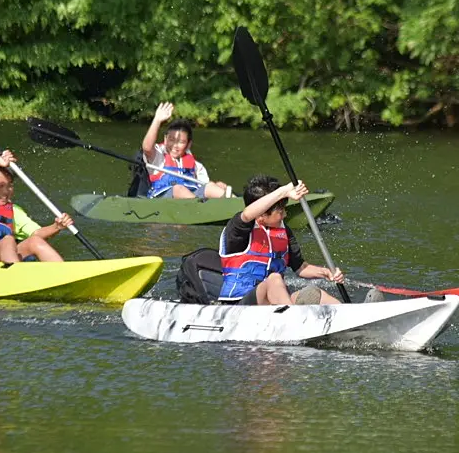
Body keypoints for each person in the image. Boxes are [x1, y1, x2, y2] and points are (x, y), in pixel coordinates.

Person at [217, 175, 344, 305]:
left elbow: (301, 267)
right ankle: (292, 318)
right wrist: (284, 190)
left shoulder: (284, 231)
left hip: (276, 304)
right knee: (274, 278)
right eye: (280, 210)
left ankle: (349, 318)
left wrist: (327, 272)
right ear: (261, 215)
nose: (285, 214)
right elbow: (248, 214)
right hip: (238, 305)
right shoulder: (237, 230)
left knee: (316, 294)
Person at [141, 102, 231, 199]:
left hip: (192, 196)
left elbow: (204, 185)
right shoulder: (158, 156)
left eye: (181, 142)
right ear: (165, 139)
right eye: (171, 140)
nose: (175, 146)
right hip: (163, 198)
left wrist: (217, 186)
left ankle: (239, 207)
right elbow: (147, 147)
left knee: (213, 186)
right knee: (179, 189)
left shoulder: (197, 166)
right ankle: (200, 210)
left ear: (188, 145)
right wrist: (157, 120)